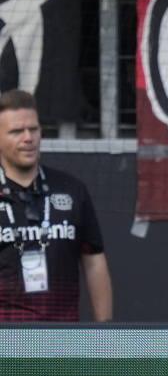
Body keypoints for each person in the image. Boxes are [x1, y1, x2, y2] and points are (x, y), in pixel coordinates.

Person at [0, 89, 112, 322]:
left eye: (34, 129)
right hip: (6, 338)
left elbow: (93, 262)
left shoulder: (71, 188)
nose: (28, 138)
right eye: (16, 131)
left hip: (63, 337)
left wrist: (106, 332)